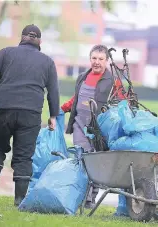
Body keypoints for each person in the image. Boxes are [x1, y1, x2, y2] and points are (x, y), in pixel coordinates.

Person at [0, 24, 60, 206]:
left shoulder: (6, 53)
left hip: (3, 109)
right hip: (31, 114)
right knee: (24, 155)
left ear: (22, 37)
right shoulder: (47, 62)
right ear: (39, 41)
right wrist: (53, 116)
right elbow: (53, 91)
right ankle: (19, 199)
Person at [61, 44, 124, 209]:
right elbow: (77, 97)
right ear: (90, 59)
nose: (97, 62)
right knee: (81, 160)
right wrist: (63, 108)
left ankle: (90, 199)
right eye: (94, 58)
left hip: (98, 129)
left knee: (94, 162)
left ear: (107, 61)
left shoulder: (113, 81)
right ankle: (80, 196)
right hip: (79, 126)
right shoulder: (82, 76)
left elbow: (122, 103)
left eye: (101, 59)